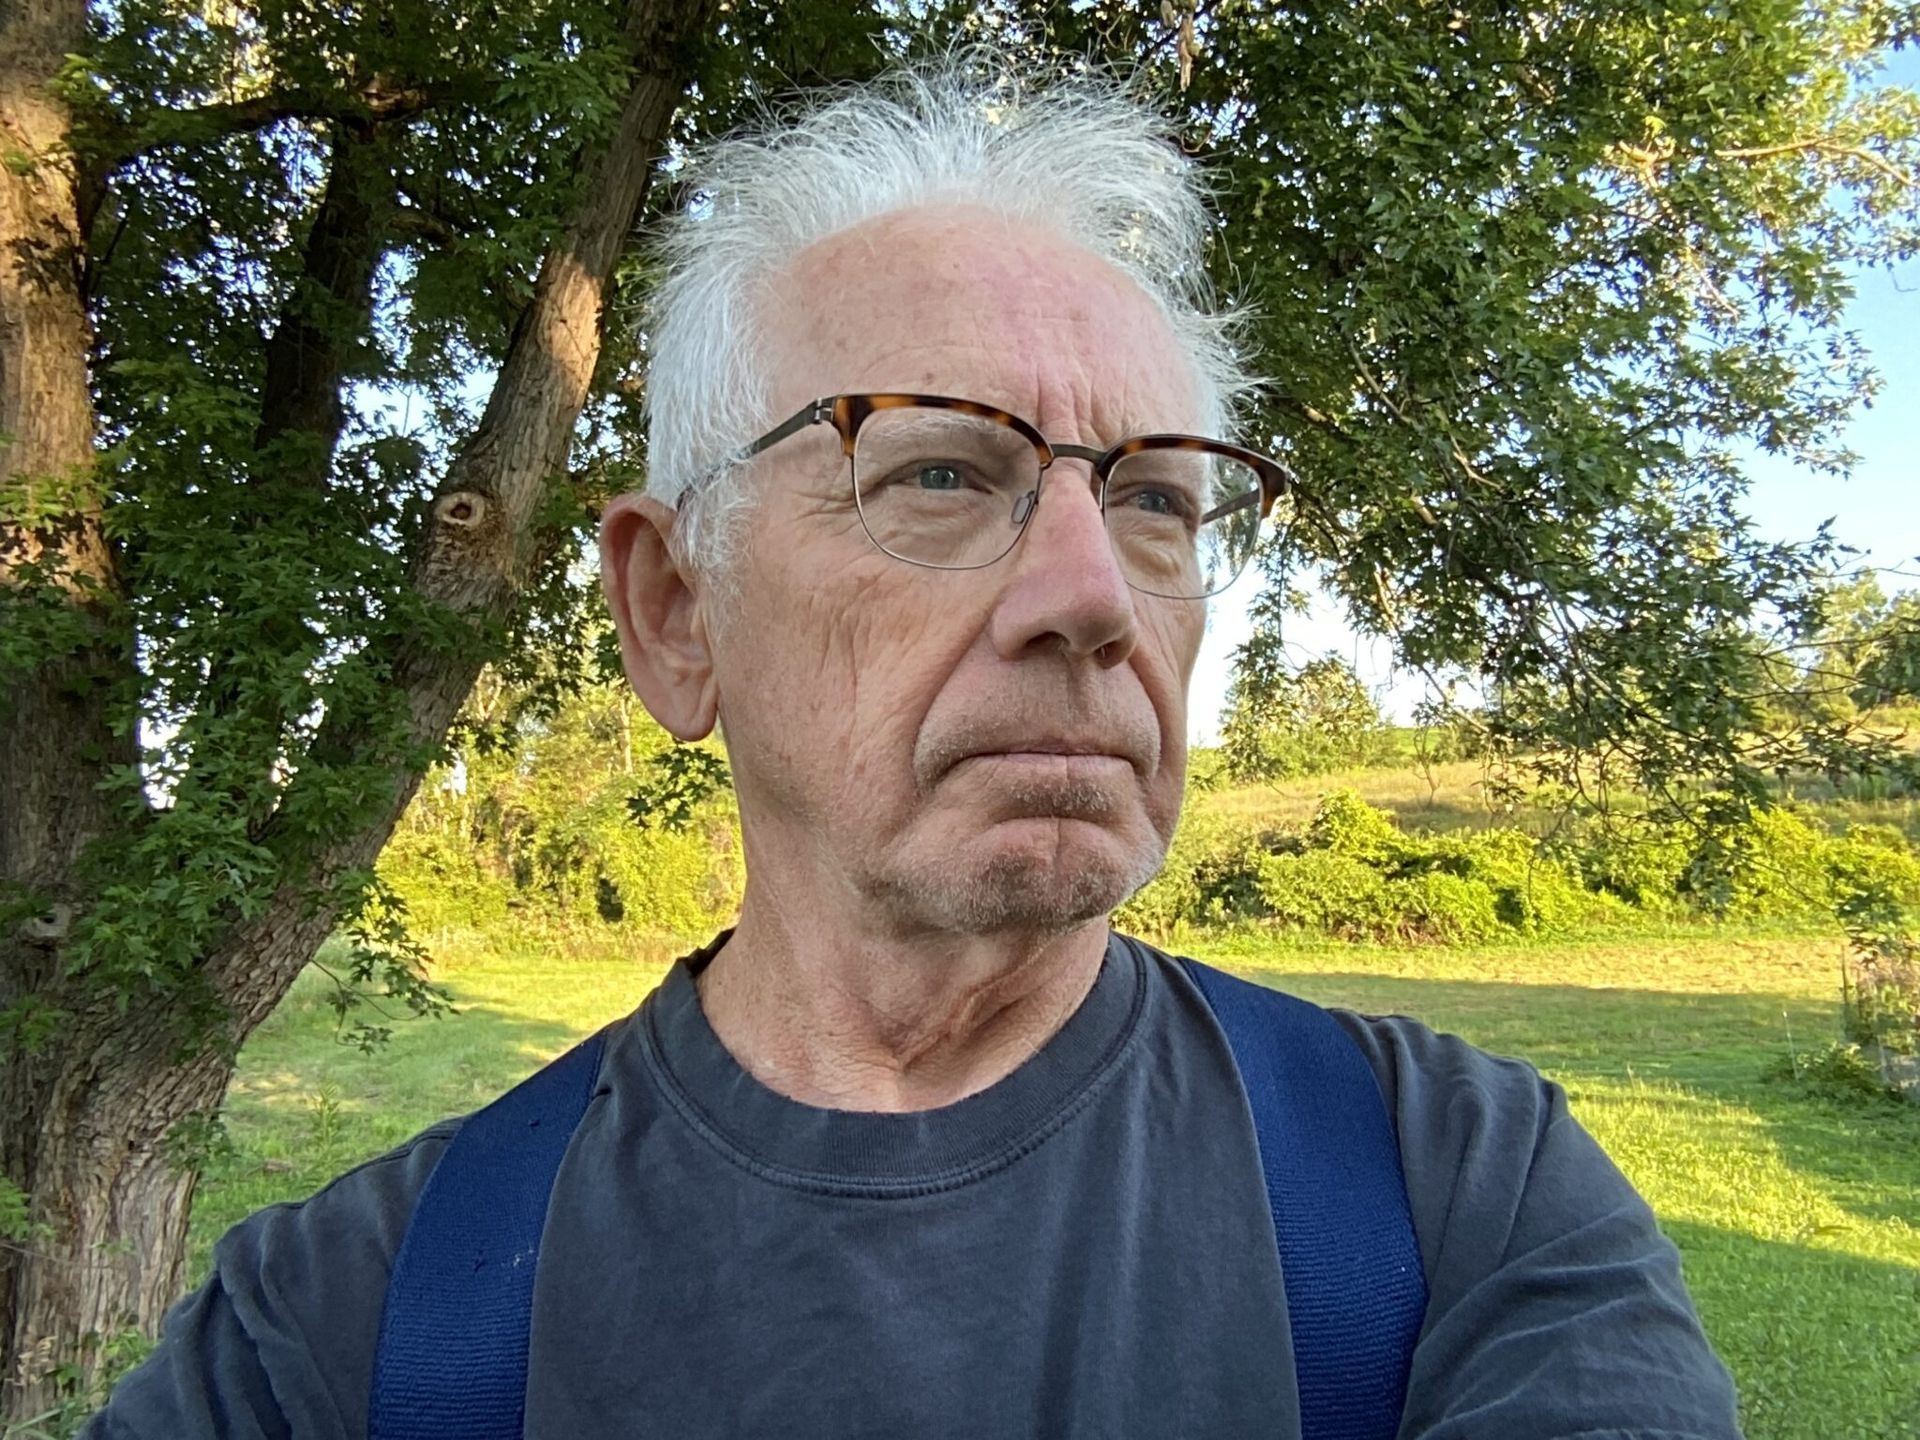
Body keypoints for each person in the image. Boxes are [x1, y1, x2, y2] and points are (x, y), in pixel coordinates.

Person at [84, 52, 1743, 1440]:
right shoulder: (343, 1332)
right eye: (942, 472)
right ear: (676, 611)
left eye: (1157, 496)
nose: (1092, 595)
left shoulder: (1459, 1199)